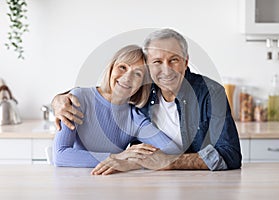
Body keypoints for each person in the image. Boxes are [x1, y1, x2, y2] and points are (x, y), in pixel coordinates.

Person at [52, 28, 242, 173]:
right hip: (88, 181)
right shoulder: (142, 93)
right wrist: (57, 100)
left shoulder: (210, 93)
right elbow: (99, 96)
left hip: (198, 183)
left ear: (186, 61)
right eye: (157, 62)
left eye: (174, 60)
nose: (166, 70)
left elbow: (230, 155)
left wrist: (164, 162)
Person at [52, 45, 180, 175]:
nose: (127, 77)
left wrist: (131, 162)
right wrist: (118, 157)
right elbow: (60, 155)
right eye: (122, 67)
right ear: (111, 69)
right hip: (73, 184)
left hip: (111, 186)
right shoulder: (78, 99)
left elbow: (173, 151)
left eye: (137, 74)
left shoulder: (134, 117)